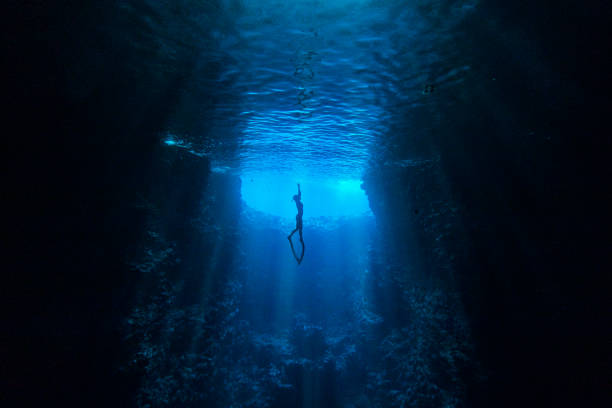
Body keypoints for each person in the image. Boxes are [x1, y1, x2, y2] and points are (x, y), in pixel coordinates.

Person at [288, 183, 304, 264]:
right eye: (298, 197)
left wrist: (298, 187)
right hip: (299, 217)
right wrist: (298, 187)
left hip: (299, 217)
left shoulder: (298, 201)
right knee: (299, 228)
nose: (299, 197)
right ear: (296, 198)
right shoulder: (297, 202)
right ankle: (296, 237)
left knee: (298, 228)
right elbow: (299, 194)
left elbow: (299, 194)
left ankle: (295, 237)